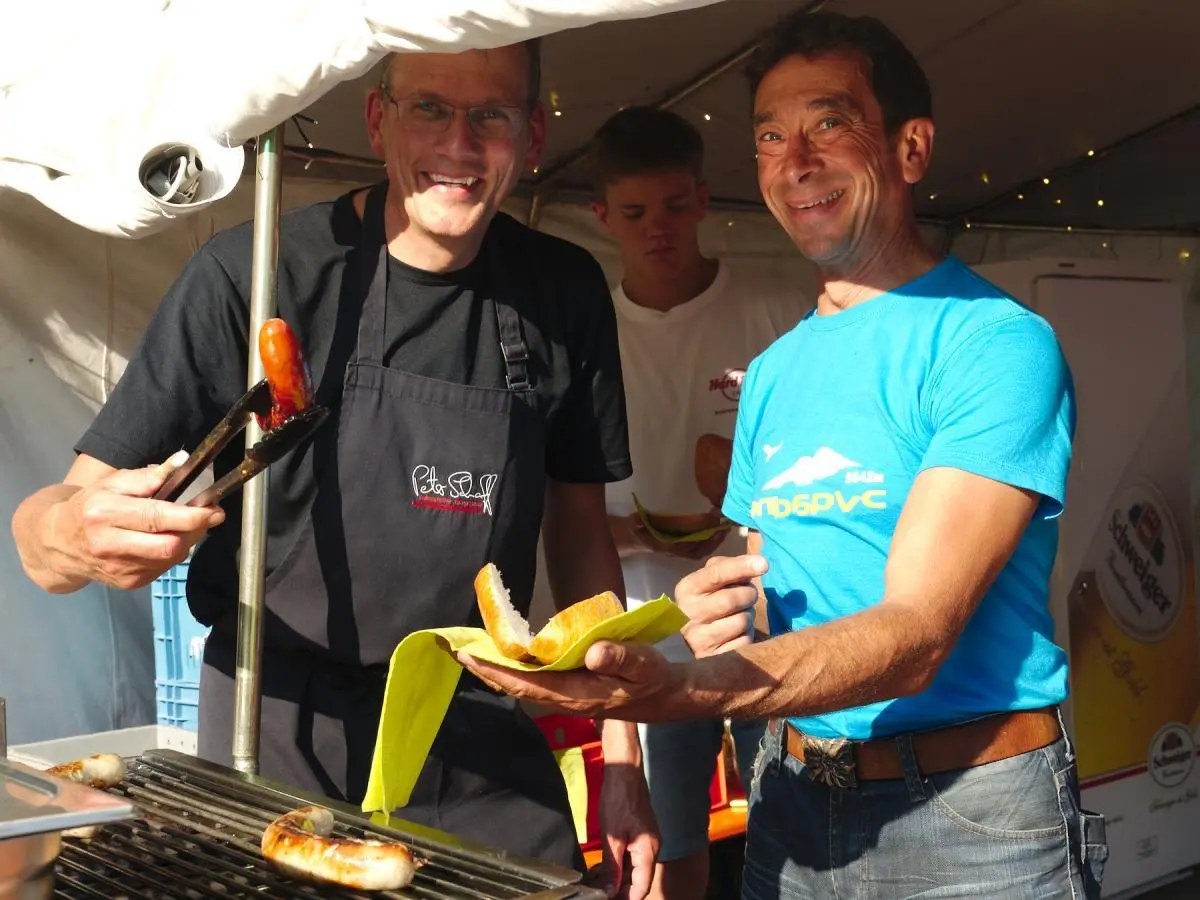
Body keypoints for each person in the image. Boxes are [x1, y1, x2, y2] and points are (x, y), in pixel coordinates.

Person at [458, 12, 1109, 900]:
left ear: (912, 149)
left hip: (968, 822)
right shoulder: (775, 368)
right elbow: (755, 562)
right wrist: (665, 622)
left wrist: (685, 693)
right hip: (793, 800)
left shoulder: (992, 342)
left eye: (830, 124)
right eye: (770, 136)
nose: (794, 161)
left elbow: (916, 631)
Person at [11, 41, 660, 898]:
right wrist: (70, 534)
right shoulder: (261, 273)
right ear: (378, 118)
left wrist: (623, 761)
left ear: (534, 133)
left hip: (474, 725)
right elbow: (46, 533)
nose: (460, 145)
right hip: (281, 728)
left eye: (491, 115)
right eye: (430, 107)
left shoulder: (563, 292)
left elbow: (581, 542)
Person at [589, 105, 805, 900]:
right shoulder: (592, 326)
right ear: (602, 215)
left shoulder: (776, 314)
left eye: (676, 206)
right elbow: (564, 499)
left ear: (705, 199)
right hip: (653, 635)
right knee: (673, 843)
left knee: (797, 835)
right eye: (637, 213)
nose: (659, 230)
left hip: (770, 628)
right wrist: (631, 531)